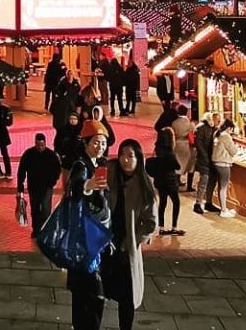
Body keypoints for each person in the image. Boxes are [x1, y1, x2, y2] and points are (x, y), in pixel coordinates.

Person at [101, 139, 157, 330]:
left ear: (138, 159)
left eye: (130, 156)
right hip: (105, 242)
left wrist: (133, 241)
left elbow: (151, 223)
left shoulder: (143, 186)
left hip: (125, 247)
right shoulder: (110, 173)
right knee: (99, 290)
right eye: (123, 154)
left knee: (126, 295)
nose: (125, 160)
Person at [63, 119, 112, 330]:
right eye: (95, 142)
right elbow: (73, 189)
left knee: (83, 292)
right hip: (85, 240)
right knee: (94, 293)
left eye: (103, 143)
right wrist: (87, 186)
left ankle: (80, 325)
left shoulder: (98, 164)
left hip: (92, 236)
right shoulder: (81, 166)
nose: (100, 146)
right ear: (85, 143)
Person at [17, 132, 61, 237]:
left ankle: (45, 230)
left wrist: (52, 182)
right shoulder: (28, 154)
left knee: (46, 210)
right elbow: (22, 170)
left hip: (47, 187)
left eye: (42, 145)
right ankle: (36, 230)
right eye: (38, 145)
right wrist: (20, 185)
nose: (40, 147)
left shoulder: (51, 155)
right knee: (35, 209)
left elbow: (57, 170)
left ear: (45, 143)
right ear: (35, 143)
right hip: (33, 187)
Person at [146, 128, 183, 236]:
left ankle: (161, 227)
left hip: (160, 180)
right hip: (170, 181)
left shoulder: (158, 150)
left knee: (162, 203)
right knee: (176, 202)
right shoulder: (169, 153)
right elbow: (177, 166)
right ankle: (174, 227)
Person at [192, 114, 219, 214]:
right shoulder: (201, 128)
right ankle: (198, 203)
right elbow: (199, 145)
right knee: (204, 180)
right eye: (217, 120)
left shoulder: (214, 129)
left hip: (212, 159)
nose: (218, 122)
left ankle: (208, 202)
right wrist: (206, 157)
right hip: (204, 160)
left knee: (211, 181)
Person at [212, 118, 238, 218]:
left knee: (220, 187)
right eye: (231, 129)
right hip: (223, 164)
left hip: (216, 162)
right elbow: (233, 151)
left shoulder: (217, 134)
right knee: (223, 187)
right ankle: (223, 210)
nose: (231, 131)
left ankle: (223, 207)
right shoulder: (226, 136)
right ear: (229, 128)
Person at [170, 104, 194, 189]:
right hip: (187, 144)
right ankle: (189, 186)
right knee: (190, 166)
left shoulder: (174, 122)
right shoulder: (189, 123)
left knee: (178, 164)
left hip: (177, 143)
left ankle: (176, 183)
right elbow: (192, 133)